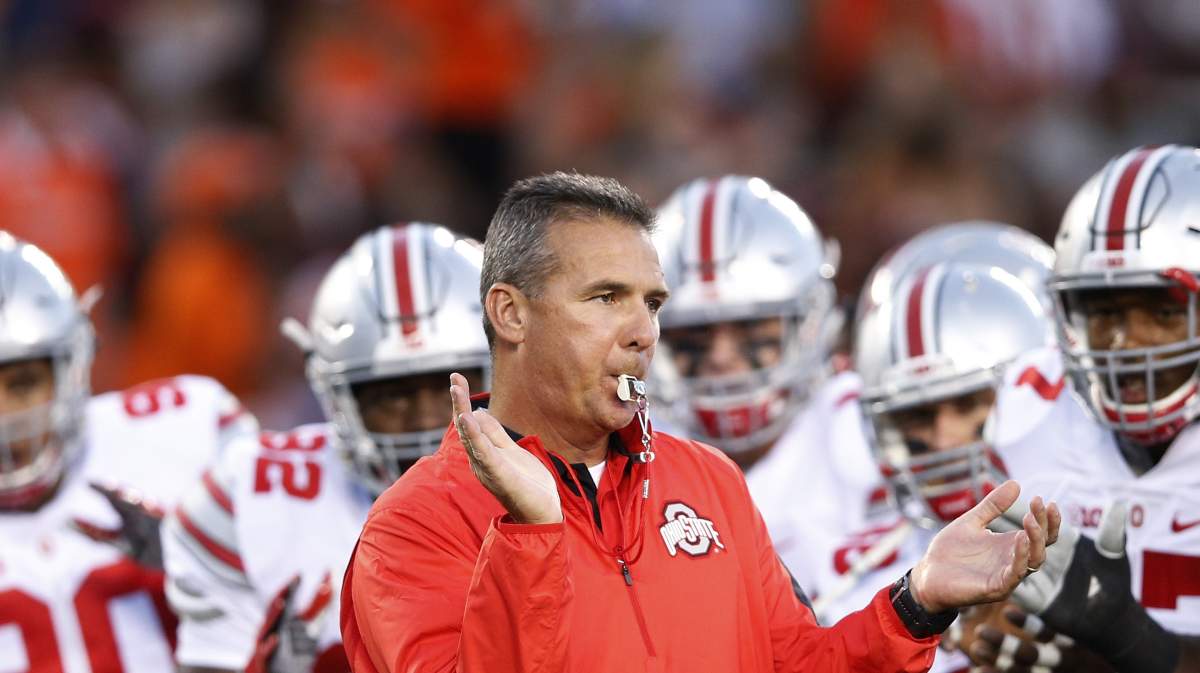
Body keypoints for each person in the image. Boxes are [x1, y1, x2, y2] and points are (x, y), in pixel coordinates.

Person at [340, 172, 1059, 673]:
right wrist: (531, 533)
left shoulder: (708, 479)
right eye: (605, 298)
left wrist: (916, 602)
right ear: (511, 313)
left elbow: (797, 664)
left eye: (651, 303)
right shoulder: (414, 524)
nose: (642, 333)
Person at [161, 223, 490, 672]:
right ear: (335, 395)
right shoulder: (250, 501)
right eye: (391, 396)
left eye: (451, 388)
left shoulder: (570, 484)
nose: (425, 420)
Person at [969, 144, 1200, 671]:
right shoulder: (1028, 410)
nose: (1126, 343)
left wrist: (1125, 648)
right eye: (1103, 312)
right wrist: (980, 623)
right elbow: (982, 611)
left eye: (1163, 313)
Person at [0, 231, 257, 672]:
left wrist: (210, 563)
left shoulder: (183, 433)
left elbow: (304, 610)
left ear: (73, 368)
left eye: (22, 384)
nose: (4, 416)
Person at [807, 226, 1059, 673]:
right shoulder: (854, 570)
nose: (944, 441)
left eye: (967, 405)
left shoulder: (1104, 513)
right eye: (917, 415)